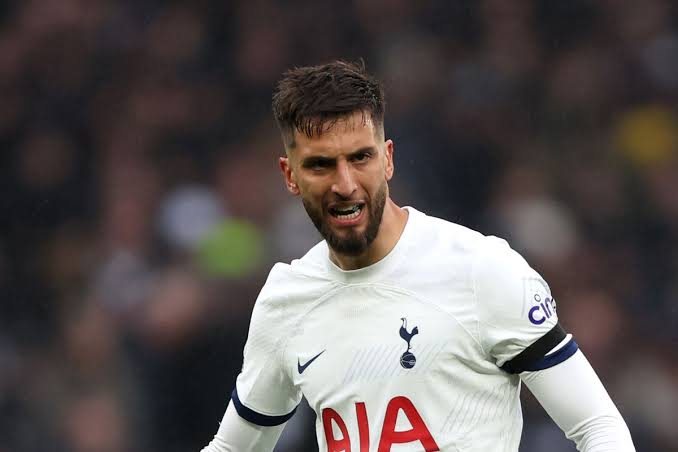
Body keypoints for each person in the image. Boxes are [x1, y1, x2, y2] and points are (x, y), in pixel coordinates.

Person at [201, 60, 635, 452]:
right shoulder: (287, 300)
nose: (346, 183)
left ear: (387, 160)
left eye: (361, 158)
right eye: (321, 165)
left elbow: (599, 428)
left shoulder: (479, 268)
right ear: (289, 175)